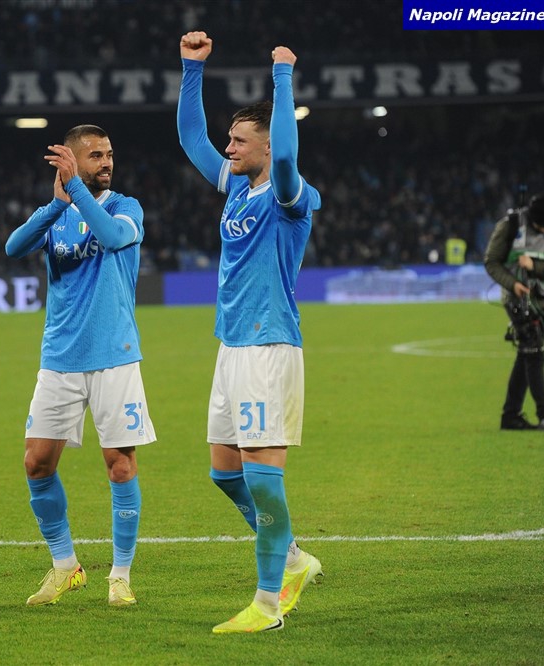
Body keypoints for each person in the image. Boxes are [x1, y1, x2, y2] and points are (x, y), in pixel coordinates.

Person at [177, 33, 323, 633]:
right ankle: (293, 558)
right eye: (231, 139)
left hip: (269, 345)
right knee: (224, 472)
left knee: (263, 478)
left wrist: (283, 77)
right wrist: (191, 69)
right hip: (232, 344)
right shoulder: (238, 184)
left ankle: (268, 605)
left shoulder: (291, 195)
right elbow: (192, 138)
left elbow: (286, 158)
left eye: (240, 140)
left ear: (266, 143)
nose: (228, 147)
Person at [5, 125, 156, 607]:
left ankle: (121, 574)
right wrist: (57, 203)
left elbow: (112, 237)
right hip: (60, 359)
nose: (106, 162)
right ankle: (65, 565)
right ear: (71, 161)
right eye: (95, 156)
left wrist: (77, 191)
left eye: (109, 154)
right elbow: (13, 247)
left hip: (114, 356)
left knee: (120, 464)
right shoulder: (59, 213)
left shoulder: (125, 207)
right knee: (36, 462)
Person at [483, 193, 544, 431]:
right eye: (542, 226)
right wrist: (513, 284)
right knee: (535, 354)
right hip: (518, 301)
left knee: (526, 355)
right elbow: (491, 261)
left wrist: (535, 266)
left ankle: (511, 416)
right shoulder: (510, 226)